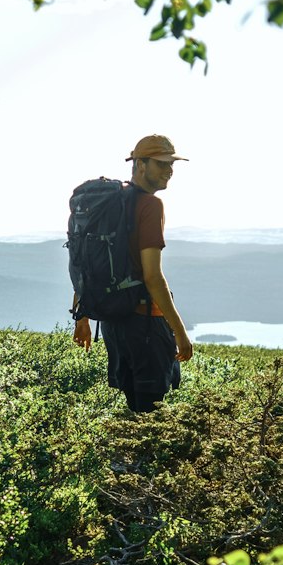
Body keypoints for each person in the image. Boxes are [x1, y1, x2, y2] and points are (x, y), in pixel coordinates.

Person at [72, 134, 194, 411]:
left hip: (115, 324)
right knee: (152, 413)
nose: (169, 171)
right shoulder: (150, 205)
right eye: (161, 164)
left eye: (171, 164)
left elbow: (87, 260)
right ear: (140, 164)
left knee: (133, 410)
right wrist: (180, 332)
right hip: (146, 325)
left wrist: (81, 314)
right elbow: (153, 277)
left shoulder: (111, 204)